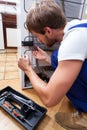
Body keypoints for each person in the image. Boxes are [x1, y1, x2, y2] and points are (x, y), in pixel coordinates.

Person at [18, 1, 87, 129]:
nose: (38, 40)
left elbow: (49, 99)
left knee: (58, 56)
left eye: (37, 36)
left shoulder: (73, 41)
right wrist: (47, 58)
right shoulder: (75, 26)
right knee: (56, 58)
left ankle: (85, 118)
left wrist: (27, 69)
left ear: (48, 31)